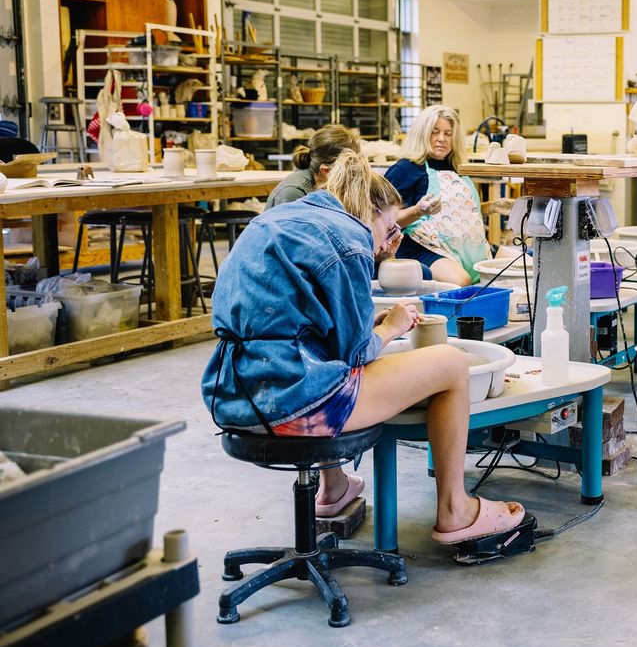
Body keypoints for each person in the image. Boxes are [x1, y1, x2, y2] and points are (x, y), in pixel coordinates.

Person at [202, 151, 524, 544]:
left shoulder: (273, 220)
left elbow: (287, 319)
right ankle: (455, 508)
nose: (389, 244)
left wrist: (367, 322)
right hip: (291, 405)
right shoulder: (349, 238)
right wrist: (390, 328)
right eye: (390, 228)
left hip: (233, 394)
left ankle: (333, 488)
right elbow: (357, 354)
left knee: (321, 357)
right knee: (451, 363)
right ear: (369, 212)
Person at [385, 106, 490, 286]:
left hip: (465, 249)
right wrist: (417, 211)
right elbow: (383, 221)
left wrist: (493, 206)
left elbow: (460, 214)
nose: (441, 139)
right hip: (420, 249)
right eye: (435, 132)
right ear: (422, 134)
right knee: (461, 281)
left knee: (515, 267)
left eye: (448, 133)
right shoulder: (406, 169)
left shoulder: (457, 168)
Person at [265, 124, 362, 209]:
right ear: (326, 171)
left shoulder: (327, 186)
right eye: (350, 169)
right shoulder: (293, 194)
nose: (352, 175)